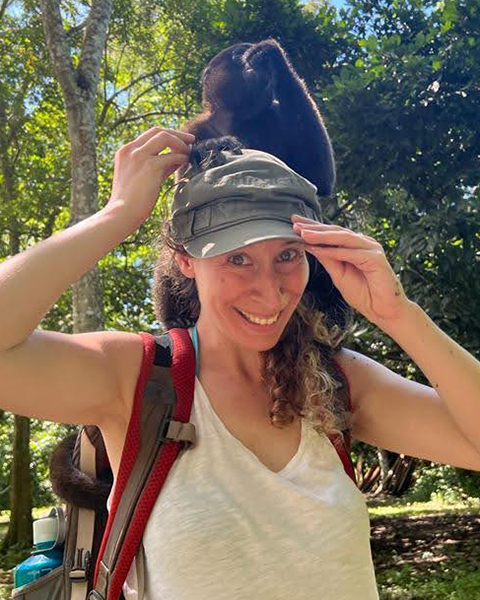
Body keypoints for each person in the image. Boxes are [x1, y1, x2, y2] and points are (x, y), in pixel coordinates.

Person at [1, 127, 480, 600]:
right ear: (185, 259)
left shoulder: (338, 382)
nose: (270, 291)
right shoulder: (138, 378)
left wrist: (399, 314)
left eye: (287, 255)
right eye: (237, 260)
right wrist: (117, 216)